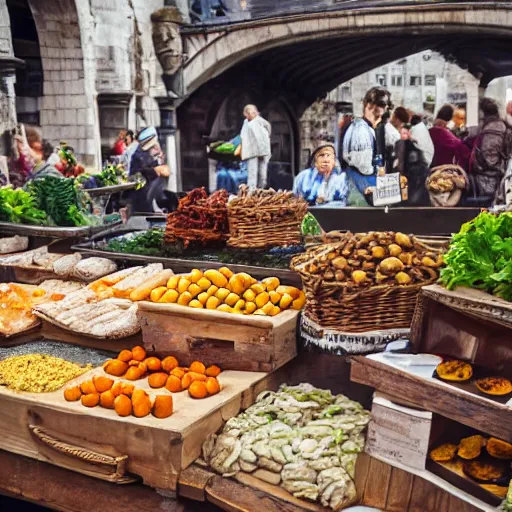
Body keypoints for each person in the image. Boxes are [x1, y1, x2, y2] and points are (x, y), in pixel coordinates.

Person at [341, 86, 392, 205]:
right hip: (361, 190)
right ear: (369, 106)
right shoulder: (361, 130)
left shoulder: (364, 127)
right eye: (382, 105)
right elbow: (364, 167)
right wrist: (378, 170)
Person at [469, 97, 511, 201]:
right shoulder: (502, 127)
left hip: (490, 181)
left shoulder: (491, 131)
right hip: (499, 178)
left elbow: (490, 160)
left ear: (482, 114)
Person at [293, 142, 348, 207]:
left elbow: (342, 204)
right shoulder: (303, 177)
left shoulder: (341, 179)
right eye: (321, 155)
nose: (326, 160)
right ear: (315, 161)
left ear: (334, 161)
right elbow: (294, 201)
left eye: (328, 156)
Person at [130, 127, 171, 213]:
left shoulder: (150, 152)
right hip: (141, 198)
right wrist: (155, 171)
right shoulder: (138, 155)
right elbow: (136, 176)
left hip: (151, 199)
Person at [429, 105, 471, 171]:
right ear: (451, 119)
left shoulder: (432, 130)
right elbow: (461, 149)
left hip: (433, 169)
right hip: (446, 171)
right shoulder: (443, 133)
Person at [240, 104, 271, 189]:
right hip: (251, 151)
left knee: (262, 174)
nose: (252, 114)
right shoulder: (246, 123)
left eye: (254, 112)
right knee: (252, 174)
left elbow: (268, 130)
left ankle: (261, 190)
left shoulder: (261, 122)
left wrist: (264, 143)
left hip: (263, 150)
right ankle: (252, 192)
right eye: (249, 113)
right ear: (246, 114)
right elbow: (243, 136)